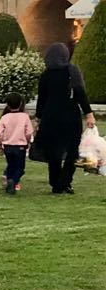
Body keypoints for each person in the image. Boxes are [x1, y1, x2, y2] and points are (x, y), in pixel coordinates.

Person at [34, 42, 94, 195]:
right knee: (72, 151)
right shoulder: (71, 71)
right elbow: (80, 93)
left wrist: (38, 119)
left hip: (51, 116)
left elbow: (42, 100)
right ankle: (66, 181)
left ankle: (55, 183)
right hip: (70, 115)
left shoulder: (46, 75)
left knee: (54, 151)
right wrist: (89, 113)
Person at [0, 92, 34, 196]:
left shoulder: (5, 117)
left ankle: (9, 182)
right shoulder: (24, 117)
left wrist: (0, 144)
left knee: (11, 165)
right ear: (21, 103)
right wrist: (27, 141)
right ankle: (13, 181)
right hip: (20, 145)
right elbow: (29, 132)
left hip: (8, 146)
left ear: (7, 104)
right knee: (20, 168)